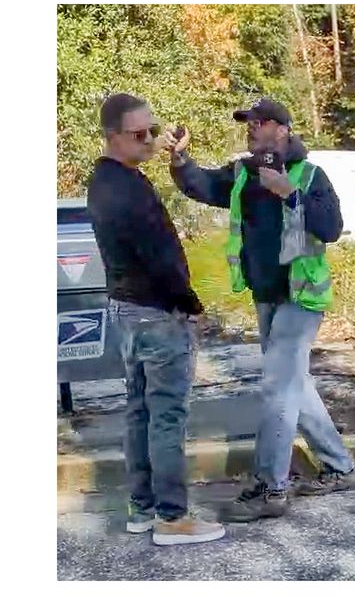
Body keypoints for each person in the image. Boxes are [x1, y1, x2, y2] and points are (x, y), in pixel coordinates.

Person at [167, 98, 355, 522]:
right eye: (248, 122)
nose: (252, 128)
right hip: (266, 296)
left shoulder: (309, 175)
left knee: (277, 386)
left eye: (261, 121)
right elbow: (201, 185)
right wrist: (180, 159)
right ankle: (341, 467)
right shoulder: (243, 173)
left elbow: (331, 228)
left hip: (302, 298)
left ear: (284, 129)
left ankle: (270, 488)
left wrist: (289, 193)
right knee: (295, 385)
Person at [86, 93, 225, 545]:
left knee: (139, 413)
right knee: (166, 417)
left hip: (125, 311)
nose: (148, 139)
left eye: (152, 129)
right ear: (112, 136)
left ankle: (141, 508)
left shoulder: (102, 181)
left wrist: (172, 152)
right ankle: (172, 517)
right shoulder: (129, 188)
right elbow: (160, 257)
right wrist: (190, 306)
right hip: (156, 313)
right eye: (138, 134)